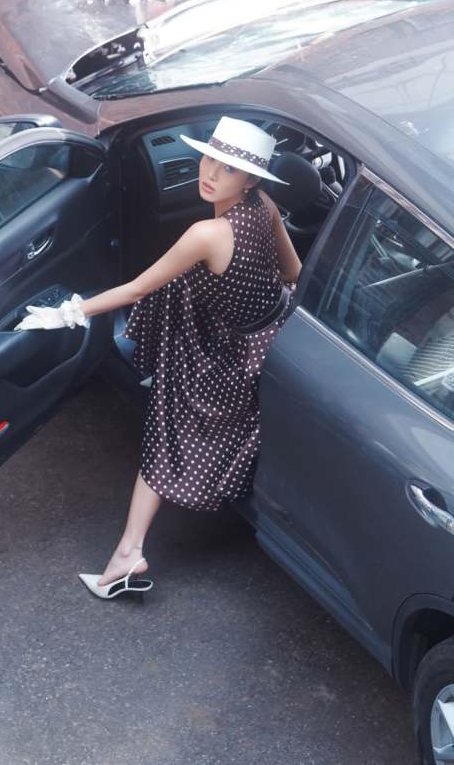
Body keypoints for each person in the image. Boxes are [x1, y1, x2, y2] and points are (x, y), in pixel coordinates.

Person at [15, 116, 302, 599]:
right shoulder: (265, 206)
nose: (209, 173)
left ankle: (129, 551)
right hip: (272, 332)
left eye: (228, 168)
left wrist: (67, 312)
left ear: (249, 179)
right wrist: (250, 301)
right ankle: (128, 551)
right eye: (209, 157)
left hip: (229, 357)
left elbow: (137, 288)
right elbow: (292, 272)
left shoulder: (203, 235)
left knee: (166, 430)